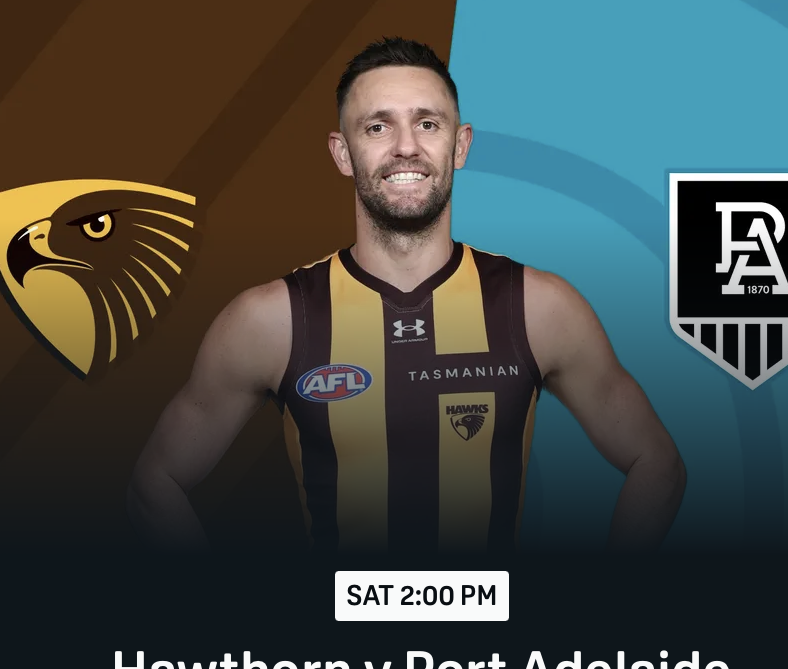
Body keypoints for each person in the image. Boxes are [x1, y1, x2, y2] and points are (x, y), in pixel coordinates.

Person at [127, 37, 685, 554]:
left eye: (428, 124)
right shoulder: (270, 319)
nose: (405, 148)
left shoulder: (539, 307)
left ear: (459, 145)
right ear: (342, 153)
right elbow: (156, 481)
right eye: (376, 128)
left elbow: (655, 463)